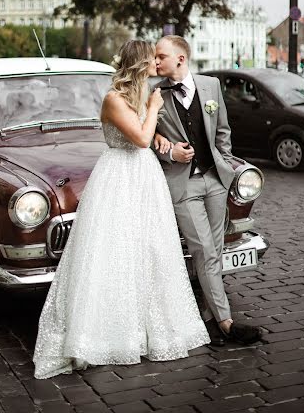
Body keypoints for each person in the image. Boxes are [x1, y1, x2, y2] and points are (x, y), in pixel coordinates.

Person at [33, 40, 209, 379]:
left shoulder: (145, 93)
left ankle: (151, 328)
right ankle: (108, 334)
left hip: (146, 177)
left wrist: (168, 145)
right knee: (114, 251)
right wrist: (155, 110)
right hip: (118, 177)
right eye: (152, 58)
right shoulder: (114, 99)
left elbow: (153, 139)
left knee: (151, 249)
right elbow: (140, 139)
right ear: (139, 64)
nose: (158, 63)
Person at [154, 35, 261, 347]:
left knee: (214, 250)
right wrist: (169, 153)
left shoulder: (211, 86)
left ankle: (206, 316)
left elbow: (223, 129)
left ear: (181, 59)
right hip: (182, 182)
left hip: (215, 180)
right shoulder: (153, 92)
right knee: (204, 250)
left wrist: (225, 164)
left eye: (161, 56)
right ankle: (226, 322)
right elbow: (145, 137)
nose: (156, 62)